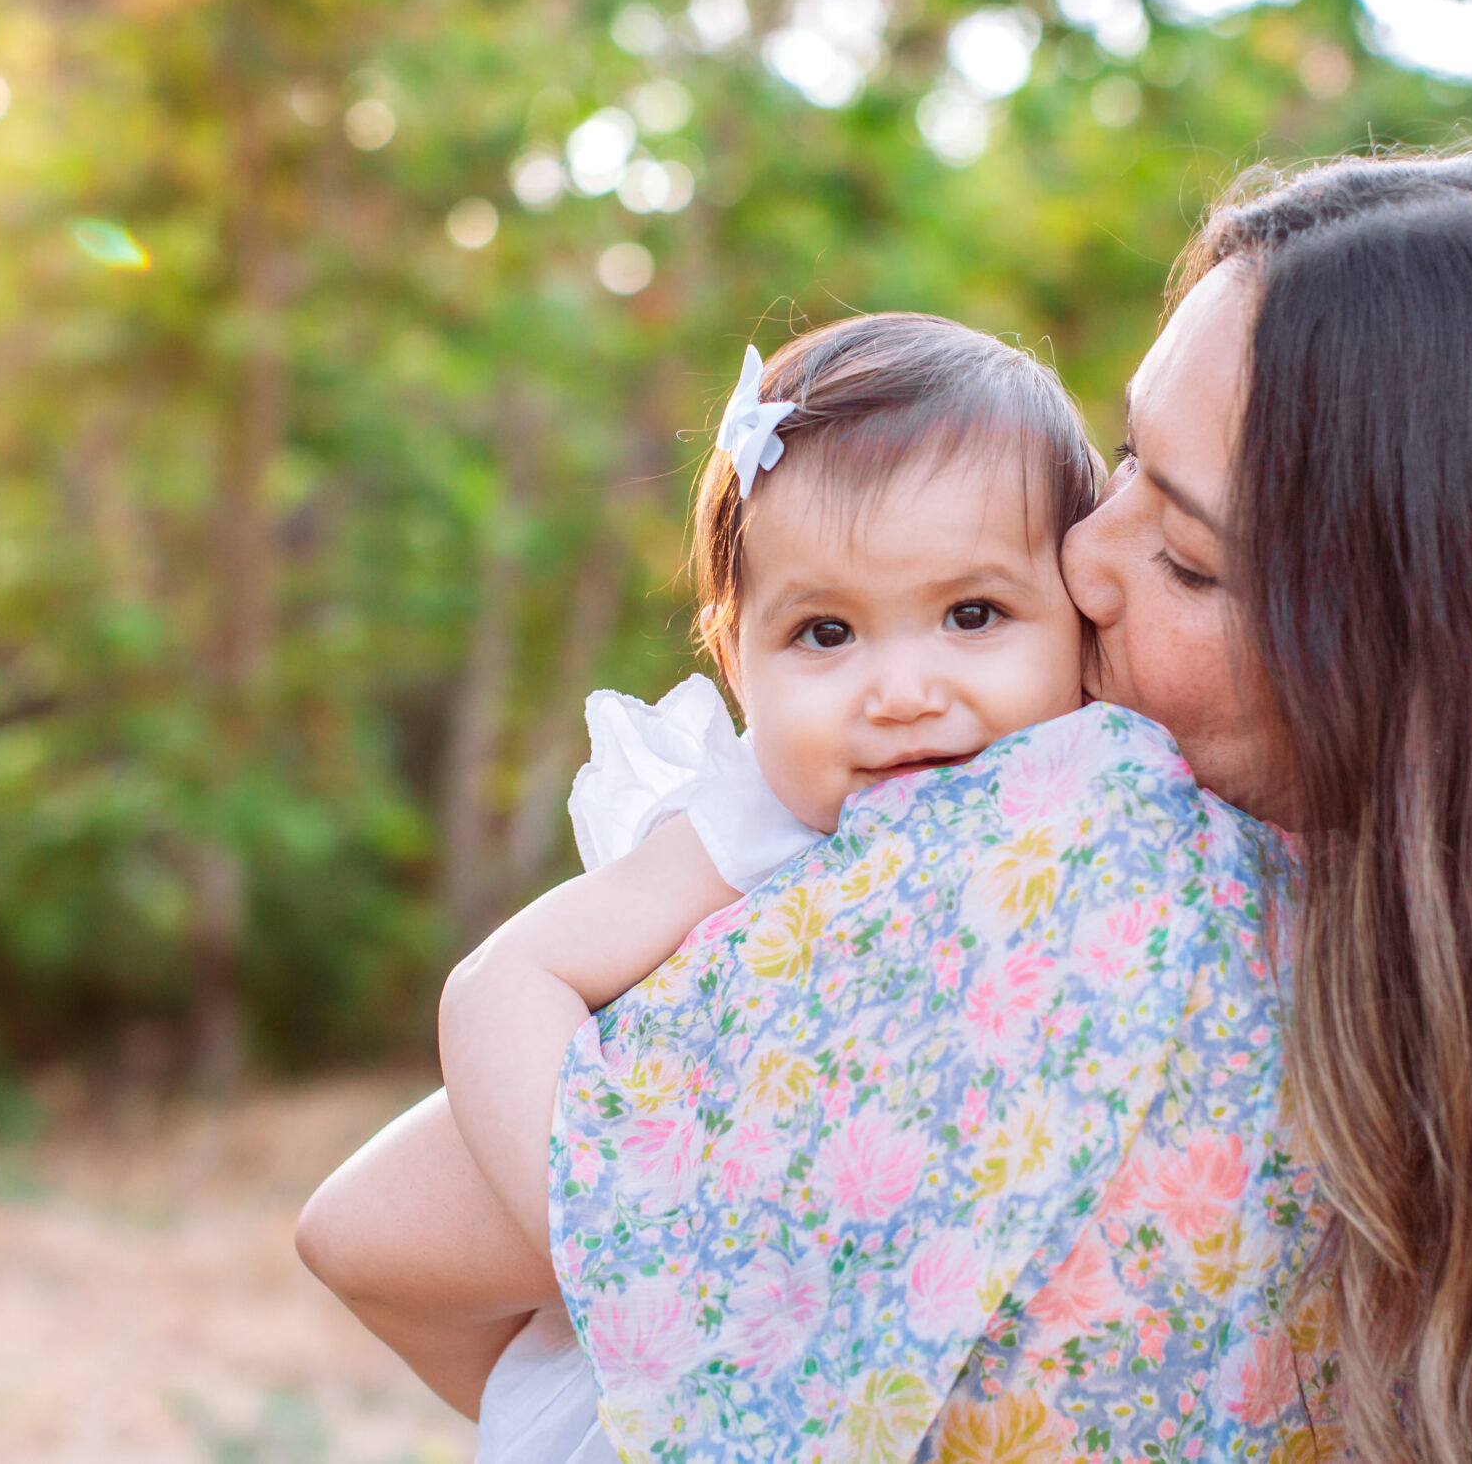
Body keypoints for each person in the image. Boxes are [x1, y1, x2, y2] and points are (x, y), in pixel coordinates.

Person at [298, 147, 1472, 1464]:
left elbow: (374, 1238)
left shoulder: (1082, 842)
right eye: (1119, 462)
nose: (1083, 558)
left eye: (1185, 555)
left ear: (1427, 676)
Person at [440, 312, 1105, 1461]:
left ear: (1086, 621)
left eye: (973, 615)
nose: (901, 690)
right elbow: (504, 980)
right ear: (735, 657)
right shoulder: (747, 824)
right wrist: (619, 1249)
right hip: (703, 1375)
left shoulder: (1106, 803)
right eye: (827, 631)